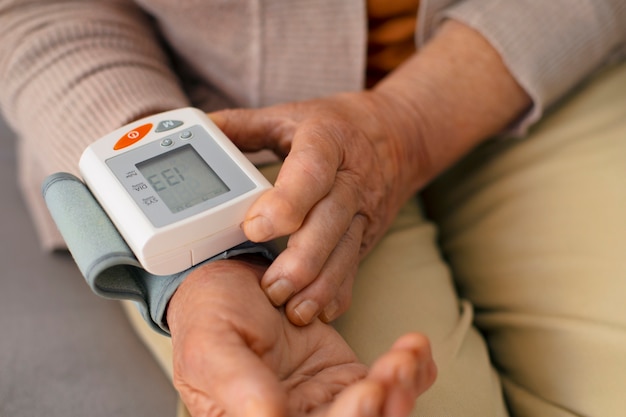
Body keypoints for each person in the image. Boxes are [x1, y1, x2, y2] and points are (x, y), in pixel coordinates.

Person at [1, 0, 625, 416]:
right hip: (229, 130)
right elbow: (40, 11)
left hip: (526, 69)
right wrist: (203, 268)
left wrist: (408, 126)